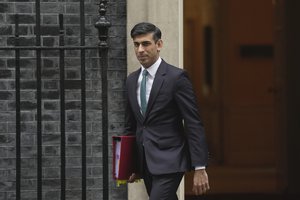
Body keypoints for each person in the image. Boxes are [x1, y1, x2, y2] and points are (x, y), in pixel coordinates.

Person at [124, 22, 210, 200]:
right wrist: (129, 163)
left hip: (171, 159)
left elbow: (193, 122)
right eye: (136, 44)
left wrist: (200, 166)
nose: (140, 49)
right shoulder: (131, 80)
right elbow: (130, 125)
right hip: (145, 161)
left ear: (159, 44)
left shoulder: (177, 78)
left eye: (146, 43)